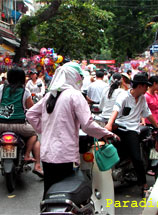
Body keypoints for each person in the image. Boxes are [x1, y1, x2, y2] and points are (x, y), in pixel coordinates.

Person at [26, 62, 118, 197]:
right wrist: (106, 134)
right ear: (73, 77)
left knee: (49, 191)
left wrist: (43, 130)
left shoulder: (49, 96)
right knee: (62, 193)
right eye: (79, 77)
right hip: (63, 154)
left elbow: (31, 114)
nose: (81, 80)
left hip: (47, 153)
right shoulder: (74, 95)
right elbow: (87, 124)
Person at [105, 73, 158, 197]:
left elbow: (147, 113)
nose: (146, 89)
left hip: (132, 130)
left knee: (137, 158)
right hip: (119, 127)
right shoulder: (124, 96)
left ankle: (144, 185)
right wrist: (109, 124)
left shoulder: (142, 98)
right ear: (140, 86)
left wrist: (157, 127)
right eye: (146, 86)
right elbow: (116, 109)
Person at [0, 68, 43, 177]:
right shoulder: (25, 91)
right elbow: (30, 108)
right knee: (34, 135)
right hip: (20, 125)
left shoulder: (1, 88)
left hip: (1, 124)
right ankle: (28, 156)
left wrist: (1, 107)